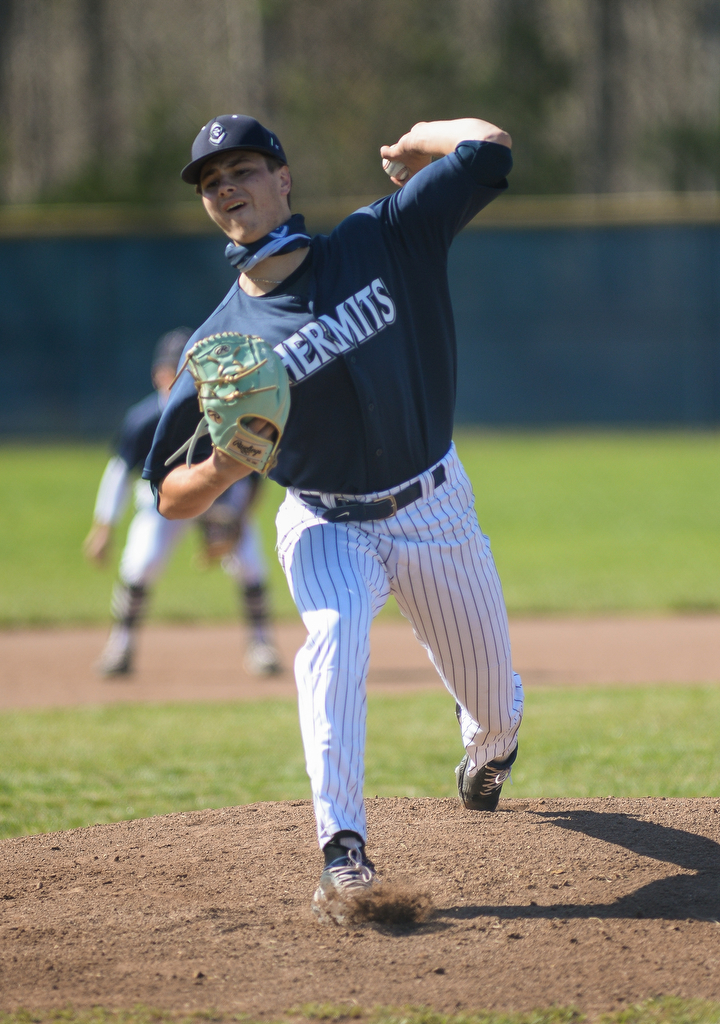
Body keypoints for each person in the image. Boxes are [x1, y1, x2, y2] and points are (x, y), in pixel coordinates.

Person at [142, 114, 523, 922]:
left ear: (284, 179)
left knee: (493, 708)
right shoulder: (222, 343)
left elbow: (488, 149)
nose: (227, 188)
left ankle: (488, 744)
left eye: (243, 169)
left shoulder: (382, 237)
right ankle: (342, 851)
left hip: (433, 507)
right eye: (212, 183)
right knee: (333, 643)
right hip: (324, 522)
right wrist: (221, 467)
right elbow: (166, 493)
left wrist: (420, 142)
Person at [83, 327, 282, 679]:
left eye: (187, 371)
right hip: (162, 507)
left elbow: (252, 475)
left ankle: (261, 644)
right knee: (141, 565)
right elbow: (118, 473)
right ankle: (121, 646)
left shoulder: (226, 413)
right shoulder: (144, 418)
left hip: (222, 505)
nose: (176, 379)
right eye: (170, 370)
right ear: (157, 373)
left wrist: (238, 521)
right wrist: (104, 526)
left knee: (250, 565)